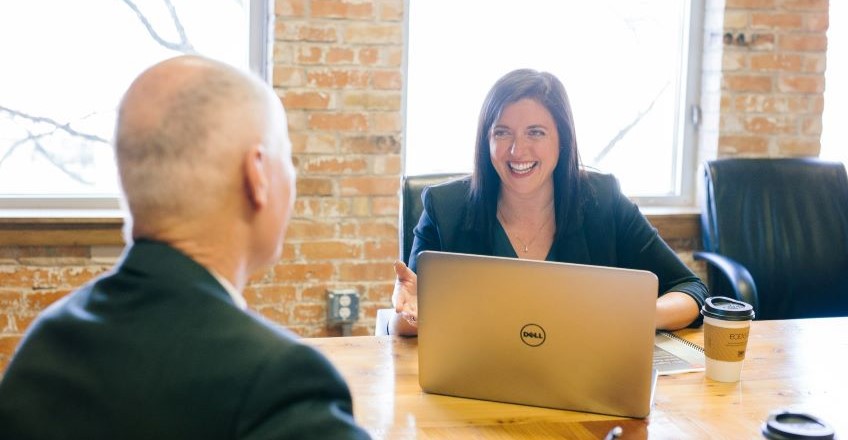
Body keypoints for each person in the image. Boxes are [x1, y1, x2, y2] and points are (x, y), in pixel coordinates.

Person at [0, 56, 370, 439]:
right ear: (257, 174)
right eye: (288, 157)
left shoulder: (46, 340)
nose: (292, 176)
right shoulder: (276, 380)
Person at [389, 69, 707, 336]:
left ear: (562, 139)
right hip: (476, 389)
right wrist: (410, 311)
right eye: (502, 133)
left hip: (584, 384)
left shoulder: (603, 201)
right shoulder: (445, 208)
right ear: (486, 141)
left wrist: (636, 317)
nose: (517, 150)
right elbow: (404, 321)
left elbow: (690, 289)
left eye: (536, 133)